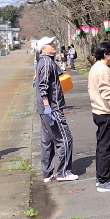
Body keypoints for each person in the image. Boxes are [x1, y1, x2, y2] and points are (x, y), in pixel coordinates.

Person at [35, 37, 76, 181]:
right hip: (52, 107)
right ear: (43, 48)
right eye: (50, 44)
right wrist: (47, 106)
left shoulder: (44, 61)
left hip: (46, 108)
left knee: (47, 140)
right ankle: (63, 172)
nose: (54, 45)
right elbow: (43, 86)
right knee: (65, 138)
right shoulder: (46, 62)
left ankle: (47, 173)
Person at [88, 44, 110, 192]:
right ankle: (103, 180)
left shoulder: (96, 67)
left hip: (98, 111)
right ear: (105, 54)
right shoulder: (103, 70)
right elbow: (107, 92)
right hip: (105, 112)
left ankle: (101, 177)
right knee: (106, 147)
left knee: (102, 146)